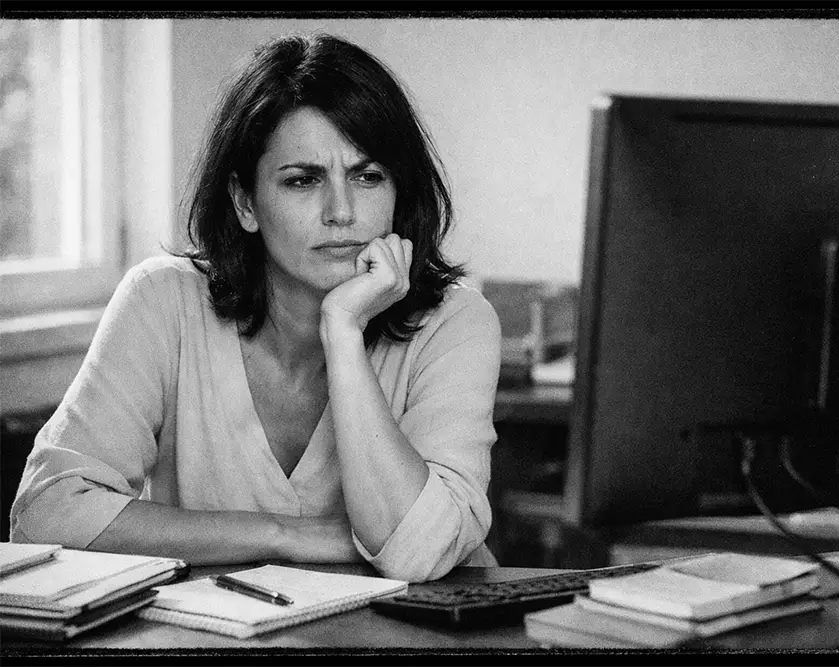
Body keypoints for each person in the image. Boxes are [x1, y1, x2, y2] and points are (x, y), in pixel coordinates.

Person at [10, 33, 501, 583]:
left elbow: (418, 555)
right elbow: (44, 515)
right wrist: (285, 534)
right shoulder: (164, 301)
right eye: (302, 180)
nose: (341, 211)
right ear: (246, 203)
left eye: (368, 176)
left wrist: (342, 330)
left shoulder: (456, 323)